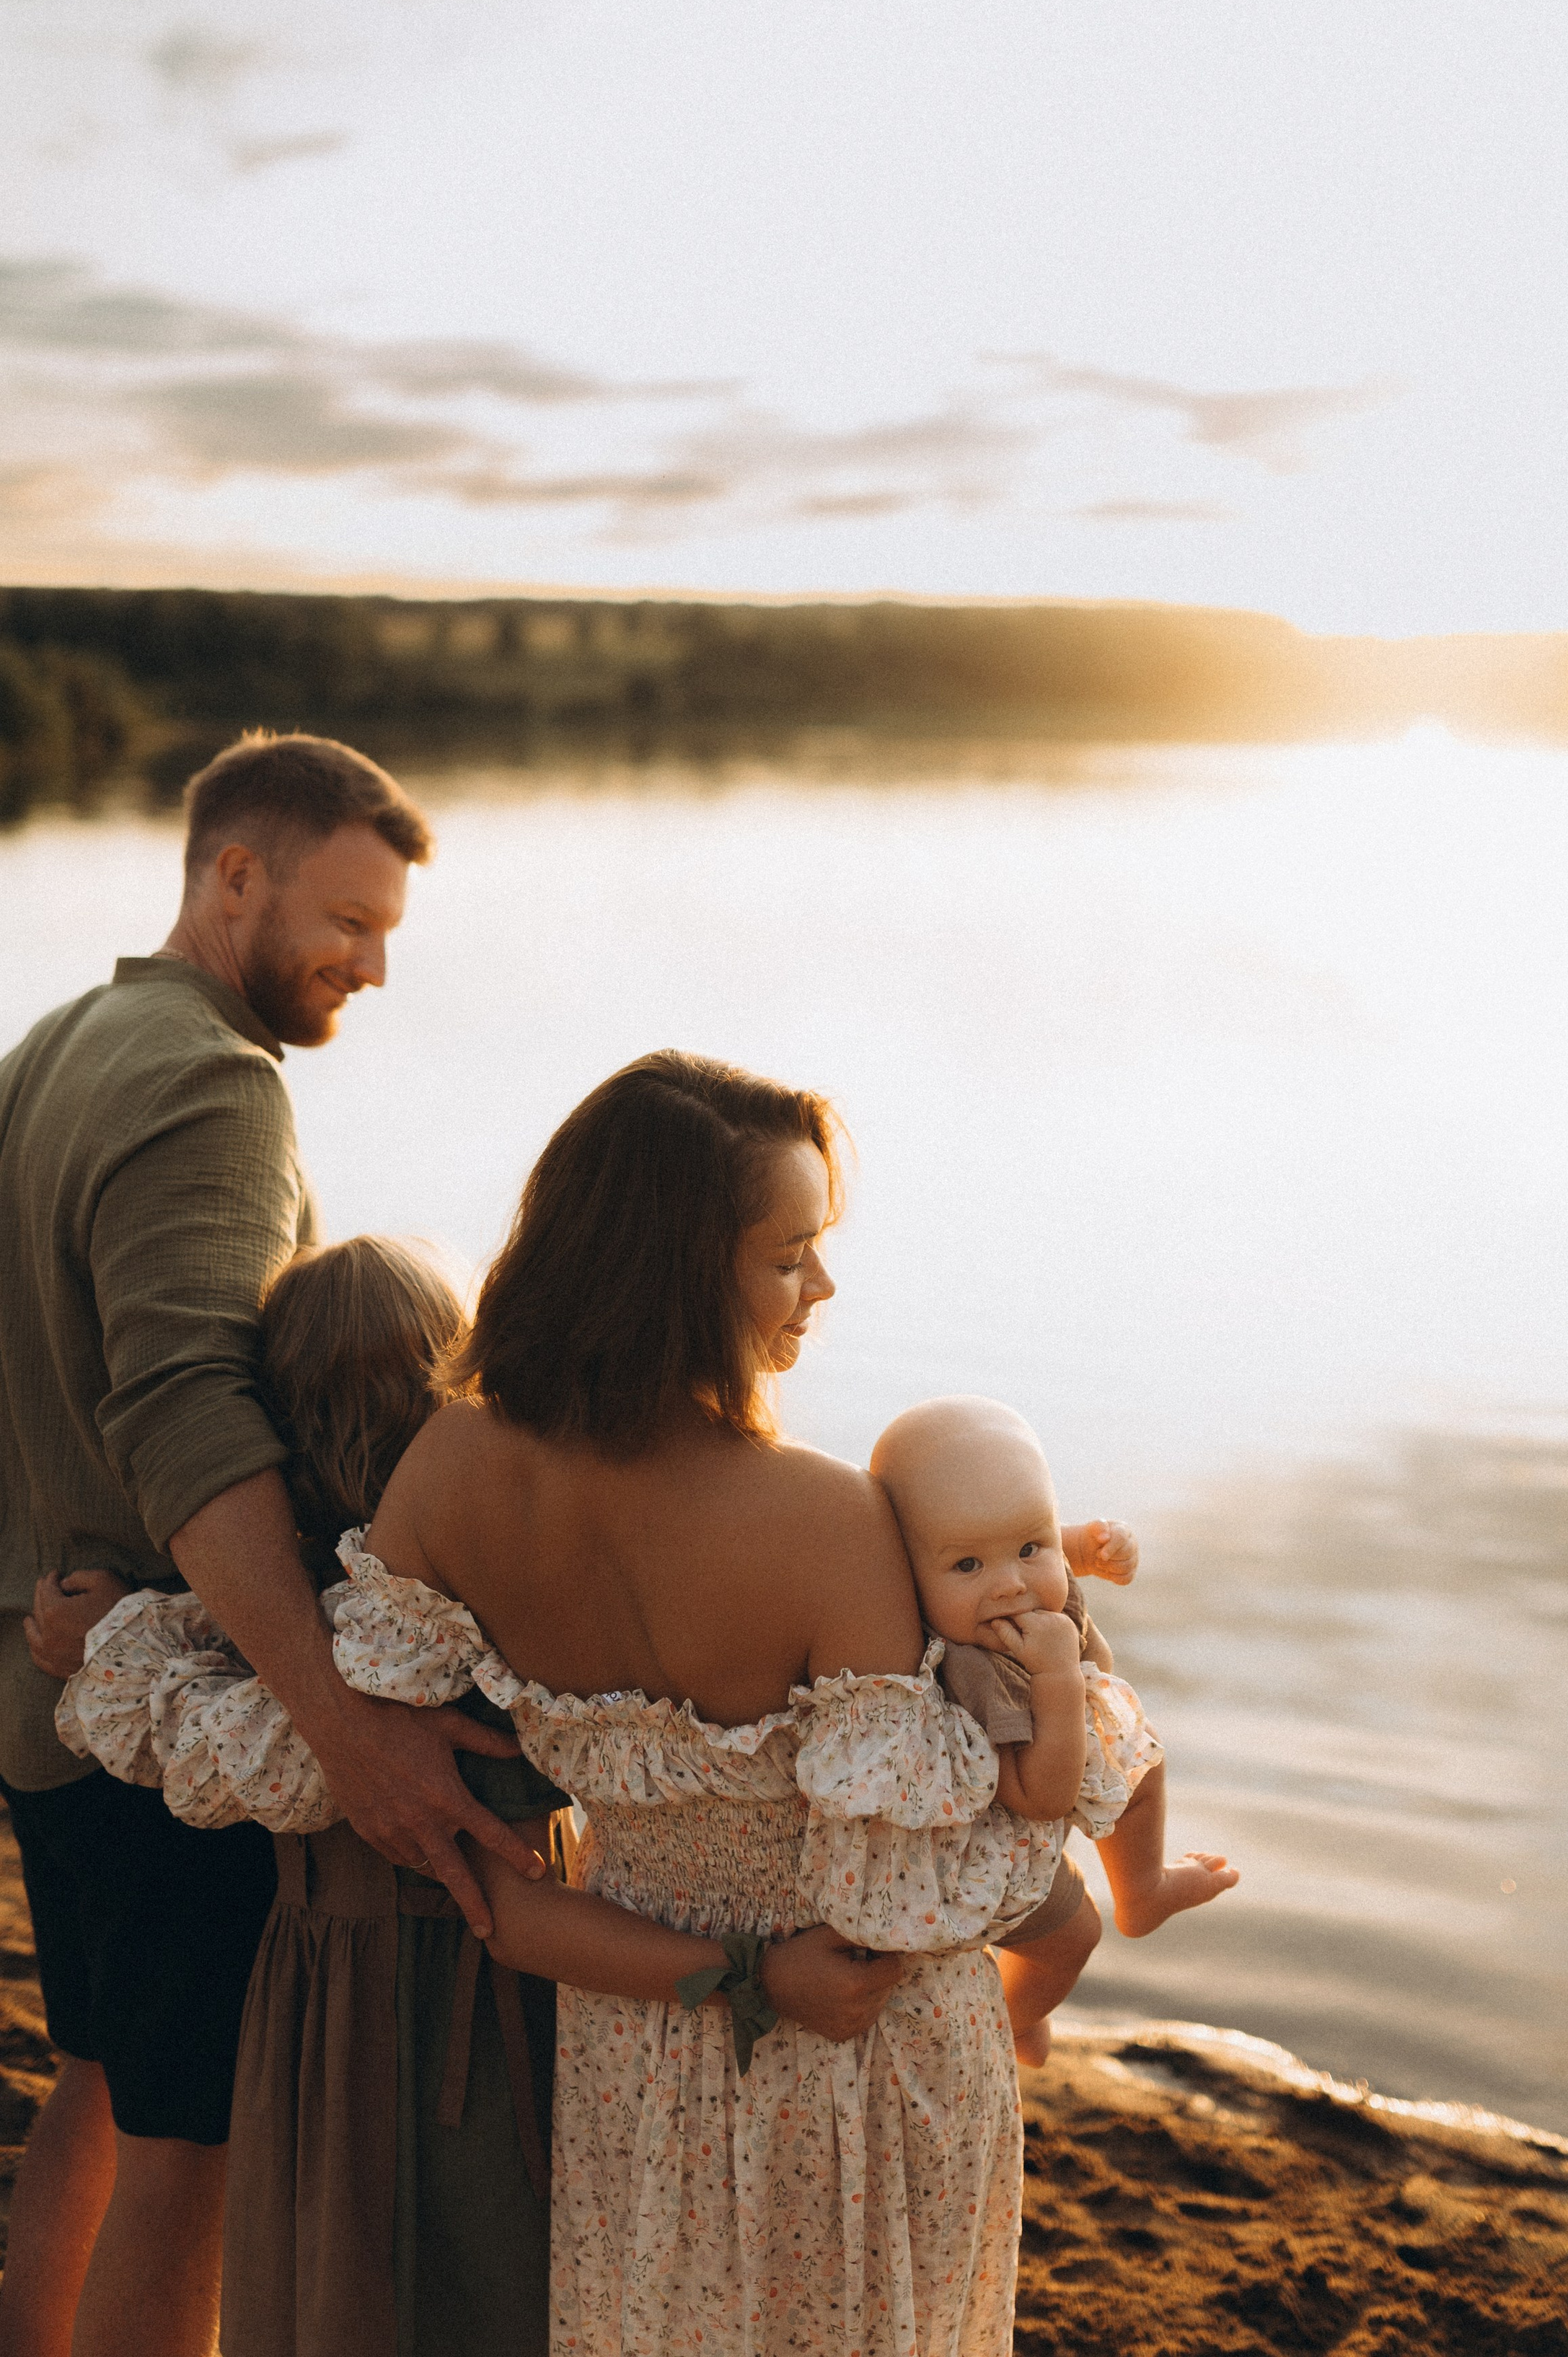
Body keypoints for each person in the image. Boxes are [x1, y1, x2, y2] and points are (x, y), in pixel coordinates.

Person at [356, 1050, 1124, 2356]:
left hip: (638, 2035)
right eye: (789, 1256)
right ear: (672, 1266)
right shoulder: (826, 1519)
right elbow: (937, 1864)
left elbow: (422, 1797)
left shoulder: (446, 1468)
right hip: (857, 2049)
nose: (822, 1287)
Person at [45, 1237, 904, 2357]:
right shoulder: (493, 1589)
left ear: (278, 1429)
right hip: (507, 1972)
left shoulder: (294, 1624)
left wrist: (103, 1636)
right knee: (494, 2264)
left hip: (353, 1981)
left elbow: (210, 1742)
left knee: (351, 2258)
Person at [0, 733, 543, 2357]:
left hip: (51, 1689)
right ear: (234, 871)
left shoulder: (55, 1045)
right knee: (194, 2143)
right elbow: (192, 1422)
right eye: (350, 921)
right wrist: (337, 1721)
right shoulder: (207, 1079)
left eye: (389, 936)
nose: (371, 968)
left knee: (97, 2090)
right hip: (167, 1732)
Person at [871, 1397, 1241, 2064]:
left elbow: (1012, 1539)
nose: (1013, 1585)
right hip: (999, 1850)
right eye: (967, 1567)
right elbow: (1039, 1796)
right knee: (1071, 1940)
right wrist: (1059, 1678)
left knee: (1144, 1766)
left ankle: (1144, 1888)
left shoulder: (1007, 1580)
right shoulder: (977, 1669)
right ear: (902, 1575)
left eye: (1029, 1547)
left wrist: (1086, 1546)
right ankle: (1015, 2015)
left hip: (1077, 1754)